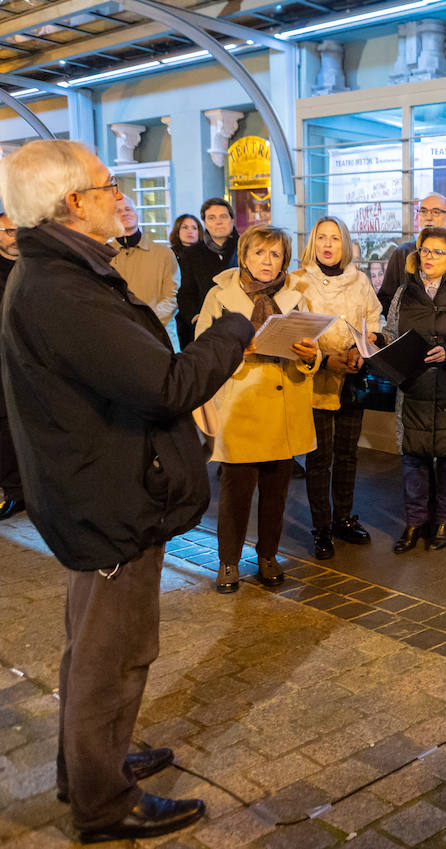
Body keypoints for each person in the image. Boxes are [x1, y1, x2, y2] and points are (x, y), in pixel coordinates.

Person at [0, 139, 252, 842]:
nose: (122, 196)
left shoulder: (62, 272)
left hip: (98, 489)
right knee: (113, 657)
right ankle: (103, 800)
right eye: (109, 186)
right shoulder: (64, 287)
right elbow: (165, 383)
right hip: (108, 496)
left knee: (95, 648)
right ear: (71, 204)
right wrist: (236, 329)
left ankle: (88, 761)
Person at [196, 225, 320, 593]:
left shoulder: (298, 296)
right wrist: (238, 352)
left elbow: (312, 349)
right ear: (245, 256)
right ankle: (228, 562)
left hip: (283, 406)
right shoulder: (219, 296)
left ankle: (268, 556)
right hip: (240, 406)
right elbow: (202, 355)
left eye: (276, 254)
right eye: (260, 253)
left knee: (276, 493)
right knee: (235, 493)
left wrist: (312, 356)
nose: (268, 261)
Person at [291, 216, 384, 561]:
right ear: (312, 243)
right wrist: (327, 358)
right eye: (321, 238)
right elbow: (294, 329)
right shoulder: (297, 281)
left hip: (352, 380)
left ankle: (344, 517)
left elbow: (375, 320)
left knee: (347, 455)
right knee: (319, 460)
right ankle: (322, 527)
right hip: (315, 380)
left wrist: (365, 345)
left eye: (335, 238)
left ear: (345, 243)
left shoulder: (359, 281)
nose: (328, 245)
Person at [389, 227, 446, 554]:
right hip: (414, 388)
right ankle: (414, 522)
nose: (430, 257)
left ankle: (444, 521)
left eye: (438, 252)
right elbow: (391, 330)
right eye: (425, 250)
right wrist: (378, 343)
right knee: (413, 461)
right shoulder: (404, 292)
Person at [377, 193, 446, 309]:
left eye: (436, 212)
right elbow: (386, 299)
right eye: (423, 211)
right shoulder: (402, 253)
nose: (428, 217)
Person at [176, 197, 238, 348]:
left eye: (223, 216)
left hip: (240, 322)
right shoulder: (191, 254)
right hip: (206, 325)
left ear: (232, 220)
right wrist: (195, 316)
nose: (218, 222)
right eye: (212, 217)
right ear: (205, 223)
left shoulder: (246, 248)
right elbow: (184, 292)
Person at [110, 196, 178, 327]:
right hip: (118, 331)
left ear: (137, 214)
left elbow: (171, 299)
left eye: (128, 209)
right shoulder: (104, 255)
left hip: (158, 332)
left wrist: (144, 321)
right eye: (118, 211)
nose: (124, 213)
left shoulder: (164, 254)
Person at [0, 211, 22, 520]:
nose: (15, 237)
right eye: (8, 231)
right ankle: (11, 491)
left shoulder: (36, 268)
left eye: (20, 231)